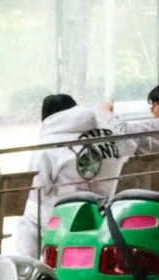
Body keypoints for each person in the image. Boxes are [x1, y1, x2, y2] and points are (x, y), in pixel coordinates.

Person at [8, 95, 123, 259]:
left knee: (29, 218)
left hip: (65, 218)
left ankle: (28, 271)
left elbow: (37, 187)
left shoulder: (49, 144)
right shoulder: (108, 132)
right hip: (105, 212)